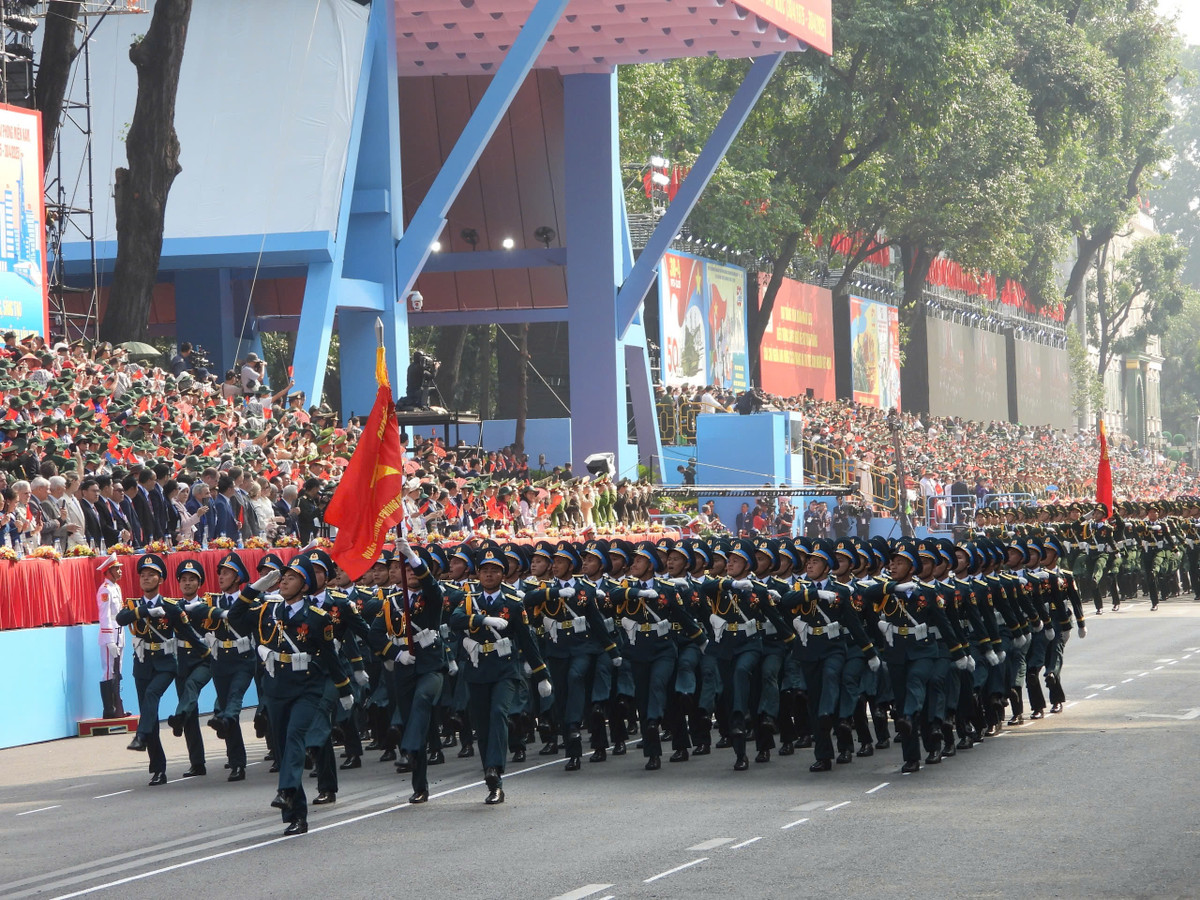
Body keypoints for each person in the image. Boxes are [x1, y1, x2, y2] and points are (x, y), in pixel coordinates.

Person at [227, 555, 352, 836]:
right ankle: (297, 815)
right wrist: (255, 588)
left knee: (295, 737)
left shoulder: (317, 617)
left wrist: (344, 689)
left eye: (291, 577)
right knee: (284, 749)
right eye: (282, 577)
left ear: (304, 585)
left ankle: (285, 790)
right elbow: (235, 618)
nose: (283, 581)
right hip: (276, 688)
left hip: (307, 687)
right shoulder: (267, 611)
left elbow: (330, 657)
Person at [449, 542, 552, 805]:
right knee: (482, 725)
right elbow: (455, 620)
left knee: (498, 713)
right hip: (477, 670)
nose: (489, 574)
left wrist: (541, 674)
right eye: (485, 570)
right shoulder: (469, 600)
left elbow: (527, 641)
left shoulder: (514, 603)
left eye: (495, 570)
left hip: (505, 669)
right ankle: (490, 776)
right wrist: (481, 620)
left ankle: (495, 770)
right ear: (478, 573)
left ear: (503, 574)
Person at [116, 554, 207, 786]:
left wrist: (208, 654)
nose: (146, 579)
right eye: (143, 575)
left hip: (166, 664)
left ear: (161, 580)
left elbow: (188, 633)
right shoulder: (133, 606)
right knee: (149, 713)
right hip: (142, 663)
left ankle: (141, 736)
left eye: (151, 575)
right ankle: (158, 768)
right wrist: (145, 612)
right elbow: (120, 618)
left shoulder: (170, 607)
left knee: (152, 694)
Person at [196, 552, 257, 782]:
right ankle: (236, 762)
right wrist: (221, 613)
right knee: (226, 706)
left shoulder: (250, 602)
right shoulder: (213, 602)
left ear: (238, 577)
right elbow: (198, 611)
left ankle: (225, 717)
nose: (221, 577)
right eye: (220, 573)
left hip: (243, 658)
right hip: (220, 660)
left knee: (234, 698)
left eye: (226, 573)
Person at [96, 554, 126, 718]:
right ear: (108, 571)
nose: (120, 571)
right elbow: (105, 616)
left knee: (117, 670)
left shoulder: (116, 588)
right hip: (110, 634)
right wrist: (109, 641)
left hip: (119, 632)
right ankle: (109, 709)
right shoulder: (105, 589)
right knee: (108, 670)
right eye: (116, 569)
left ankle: (117, 706)